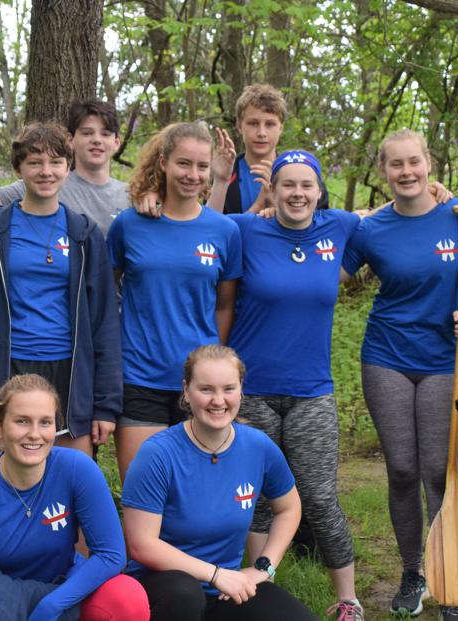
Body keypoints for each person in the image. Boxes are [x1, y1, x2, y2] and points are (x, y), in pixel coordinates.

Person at [342, 130, 458, 621]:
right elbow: (327, 272)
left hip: (445, 360)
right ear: (383, 171)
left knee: (440, 471)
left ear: (428, 163)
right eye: (396, 164)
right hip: (385, 357)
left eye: (414, 162)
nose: (406, 172)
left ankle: (449, 578)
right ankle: (414, 571)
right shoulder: (370, 229)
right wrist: (267, 216)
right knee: (403, 470)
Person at [224, 150, 362, 620]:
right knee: (257, 498)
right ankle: (258, 594)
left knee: (320, 497)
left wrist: (437, 192)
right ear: (273, 190)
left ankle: (348, 599)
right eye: (288, 184)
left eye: (307, 185)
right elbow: (197, 225)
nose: (297, 193)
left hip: (312, 392)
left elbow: (394, 217)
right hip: (251, 391)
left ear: (320, 191)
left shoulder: (339, 227)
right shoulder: (246, 229)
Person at [0, 123, 122, 456]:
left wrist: (106, 404)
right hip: (9, 367)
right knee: (9, 476)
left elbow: (104, 321)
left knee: (72, 476)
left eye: (55, 162)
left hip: (71, 373)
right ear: (19, 169)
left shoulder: (84, 234)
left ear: (68, 167)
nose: (46, 172)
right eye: (34, 163)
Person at [0, 373, 149, 621]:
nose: (35, 434)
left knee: (126, 598)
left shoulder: (77, 469)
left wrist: (52, 605)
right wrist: (17, 605)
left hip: (60, 589)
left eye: (45, 422)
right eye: (22, 421)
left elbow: (111, 554)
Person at [122, 345, 316, 621]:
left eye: (228, 389)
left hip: (227, 589)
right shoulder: (158, 454)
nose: (218, 400)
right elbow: (142, 544)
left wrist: (265, 567)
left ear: (241, 390)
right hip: (164, 588)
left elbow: (289, 508)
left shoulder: (258, 446)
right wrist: (215, 574)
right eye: (206, 389)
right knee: (185, 594)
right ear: (186, 391)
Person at [106, 122, 242, 481]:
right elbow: (105, 292)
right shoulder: (129, 225)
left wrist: (212, 360)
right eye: (184, 163)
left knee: (197, 492)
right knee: (142, 489)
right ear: (164, 162)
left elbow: (224, 305)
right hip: (140, 377)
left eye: (201, 166)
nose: (192, 174)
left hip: (201, 384)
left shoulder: (225, 231)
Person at [0, 95, 128, 234]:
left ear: (117, 142)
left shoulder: (132, 196)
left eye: (105, 134)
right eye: (87, 133)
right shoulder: (46, 184)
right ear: (70, 140)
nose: (96, 140)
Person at [205, 84, 329, 215]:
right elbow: (210, 224)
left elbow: (321, 223)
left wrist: (280, 206)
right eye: (253, 123)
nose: (261, 133)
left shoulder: (306, 174)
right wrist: (258, 206)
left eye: (270, 124)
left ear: (281, 128)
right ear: (239, 126)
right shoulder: (223, 174)